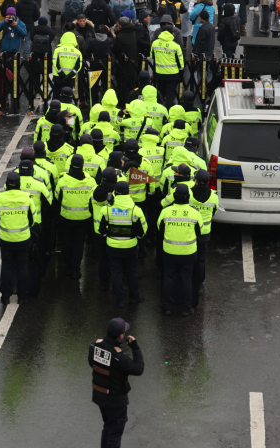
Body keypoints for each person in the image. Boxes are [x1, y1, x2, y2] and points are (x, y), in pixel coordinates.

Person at [88, 317, 144, 448]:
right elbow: (138, 369)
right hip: (115, 401)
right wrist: (135, 348)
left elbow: (92, 363)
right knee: (114, 433)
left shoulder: (94, 345)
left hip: (99, 395)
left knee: (108, 427)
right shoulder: (120, 357)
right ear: (120, 336)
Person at [98, 179, 147, 307]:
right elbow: (143, 231)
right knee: (131, 271)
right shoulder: (136, 210)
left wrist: (107, 237)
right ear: (128, 192)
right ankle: (134, 296)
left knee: (116, 272)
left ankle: (120, 299)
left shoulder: (106, 209)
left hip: (112, 246)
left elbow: (101, 229)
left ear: (114, 193)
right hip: (130, 247)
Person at [157, 183, 202, 316]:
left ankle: (167, 307)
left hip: (169, 252)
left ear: (174, 196)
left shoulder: (165, 211)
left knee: (168, 280)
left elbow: (160, 229)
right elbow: (200, 232)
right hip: (188, 253)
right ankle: (186, 308)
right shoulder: (195, 213)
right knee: (187, 281)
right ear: (188, 197)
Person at [0, 170, 34, 304]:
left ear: (7, 185)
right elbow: (31, 219)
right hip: (23, 239)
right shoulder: (27, 198)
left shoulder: (0, 198)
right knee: (22, 268)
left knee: (6, 267)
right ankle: (21, 296)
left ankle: (5, 296)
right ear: (19, 184)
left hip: (6, 239)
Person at [149, 24, 184, 107]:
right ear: (171, 33)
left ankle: (159, 110)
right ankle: (168, 112)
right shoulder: (176, 46)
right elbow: (180, 62)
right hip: (173, 75)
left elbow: (152, 56)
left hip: (159, 73)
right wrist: (181, 73)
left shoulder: (155, 43)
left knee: (160, 93)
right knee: (170, 94)